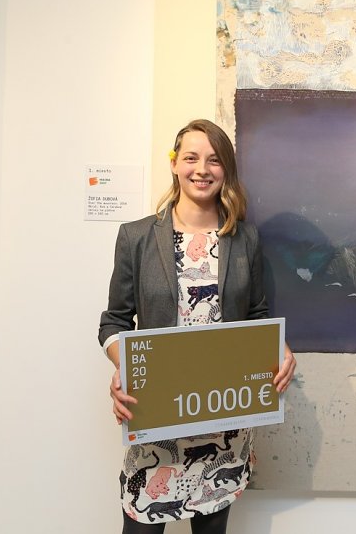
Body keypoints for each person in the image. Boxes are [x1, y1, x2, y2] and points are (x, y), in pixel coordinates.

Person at [98, 119, 296, 533]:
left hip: (222, 425)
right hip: (158, 421)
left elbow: (256, 314)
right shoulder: (136, 237)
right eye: (191, 158)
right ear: (174, 163)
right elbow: (114, 322)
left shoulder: (244, 239)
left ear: (226, 170)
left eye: (214, 160)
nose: (202, 169)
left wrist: (279, 348)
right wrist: (127, 369)